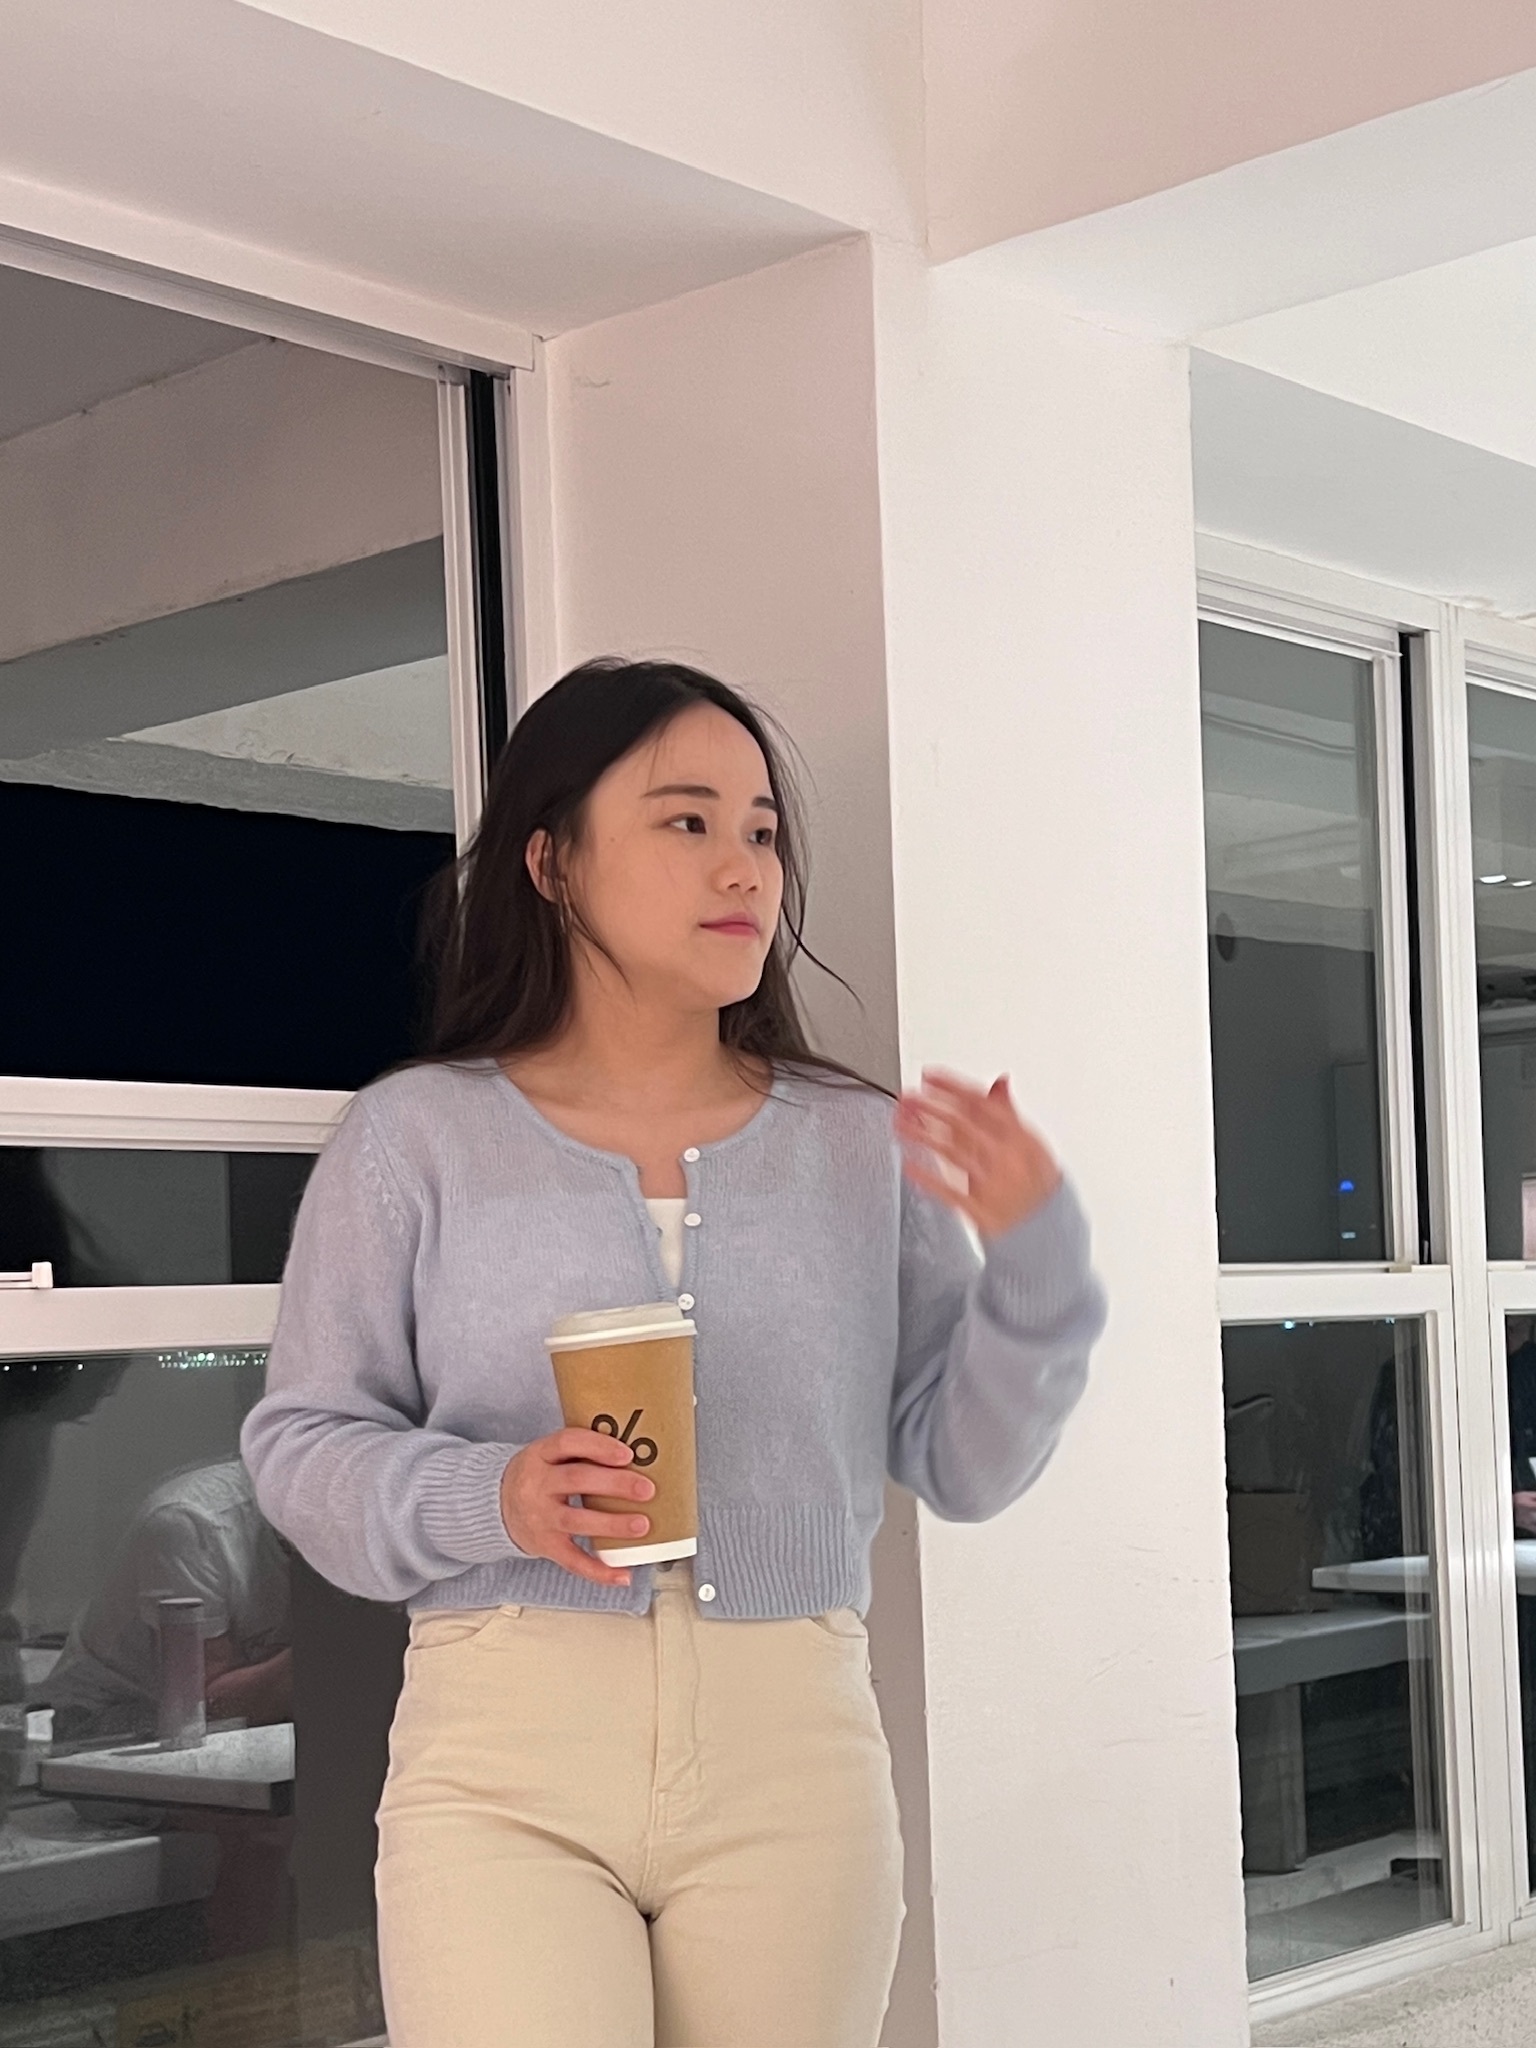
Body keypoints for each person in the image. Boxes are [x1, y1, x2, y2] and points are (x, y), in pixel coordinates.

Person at [240, 659, 1106, 2048]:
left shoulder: (851, 1144)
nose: (744, 866)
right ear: (551, 861)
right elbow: (303, 1444)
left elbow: (966, 1462)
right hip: (504, 1764)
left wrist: (1039, 1264)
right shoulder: (415, 1139)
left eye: (762, 829)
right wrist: (494, 1496)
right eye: (686, 821)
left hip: (793, 1761)